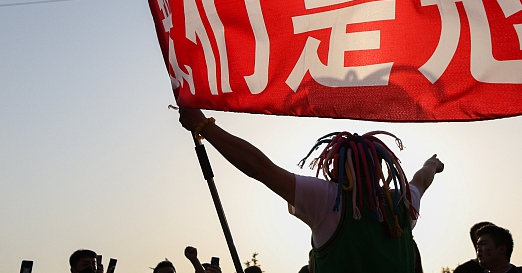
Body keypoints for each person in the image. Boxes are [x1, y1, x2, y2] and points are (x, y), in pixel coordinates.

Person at [178, 108, 443, 272]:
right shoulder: (402, 202)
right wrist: (432, 163)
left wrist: (205, 127)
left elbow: (259, 167)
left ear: (335, 167)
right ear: (382, 168)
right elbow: (422, 179)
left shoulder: (329, 200)